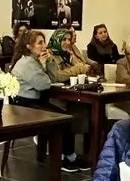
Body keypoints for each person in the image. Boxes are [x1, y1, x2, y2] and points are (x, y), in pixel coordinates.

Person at [11, 30, 88, 173]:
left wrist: (47, 62)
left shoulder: (35, 60)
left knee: (66, 116)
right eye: (40, 43)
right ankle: (64, 158)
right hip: (24, 106)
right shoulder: (28, 63)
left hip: (35, 102)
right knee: (63, 119)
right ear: (29, 46)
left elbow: (52, 78)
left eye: (44, 42)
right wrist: (43, 65)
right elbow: (44, 84)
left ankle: (68, 155)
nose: (44, 46)